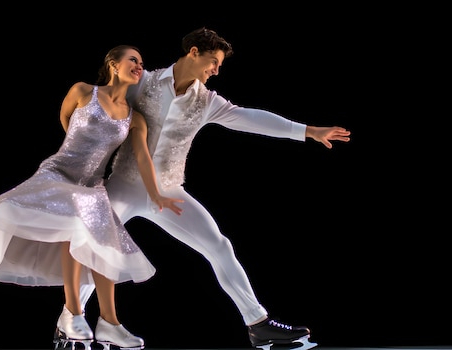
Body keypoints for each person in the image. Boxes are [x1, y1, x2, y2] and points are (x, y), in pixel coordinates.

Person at [58, 28, 351, 350]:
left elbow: (249, 118)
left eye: (219, 65)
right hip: (123, 185)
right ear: (193, 52)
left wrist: (307, 131)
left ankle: (259, 325)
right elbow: (98, 107)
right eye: (213, 61)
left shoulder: (208, 101)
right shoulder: (143, 81)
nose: (216, 70)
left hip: (168, 191)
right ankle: (70, 321)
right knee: (91, 245)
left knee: (219, 245)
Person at [0, 45, 184, 350]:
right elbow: (66, 117)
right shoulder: (83, 90)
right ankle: (73, 313)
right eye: (133, 60)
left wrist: (156, 195)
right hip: (58, 173)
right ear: (113, 64)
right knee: (73, 218)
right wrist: (75, 154)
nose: (139, 66)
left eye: (141, 63)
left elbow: (142, 159)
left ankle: (109, 323)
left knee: (104, 239)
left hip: (91, 185)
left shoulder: (133, 118)